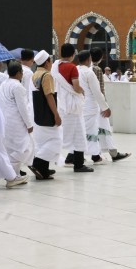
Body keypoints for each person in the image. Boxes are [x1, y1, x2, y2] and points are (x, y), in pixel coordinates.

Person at [53, 44, 92, 173]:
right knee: (79, 134)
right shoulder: (72, 68)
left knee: (60, 133)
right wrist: (82, 92)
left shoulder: (55, 67)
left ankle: (74, 161)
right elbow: (75, 87)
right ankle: (79, 164)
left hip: (60, 103)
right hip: (72, 106)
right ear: (72, 55)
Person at [0, 60, 34, 178]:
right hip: (16, 122)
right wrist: (29, 124)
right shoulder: (18, 86)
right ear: (18, 73)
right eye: (21, 72)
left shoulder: (4, 84)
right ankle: (12, 175)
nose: (22, 74)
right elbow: (23, 108)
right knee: (23, 148)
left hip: (5, 121)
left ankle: (14, 174)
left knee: (10, 149)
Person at [91, 48, 129, 162]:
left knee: (93, 129)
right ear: (101, 57)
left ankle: (97, 154)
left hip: (88, 104)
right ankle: (112, 153)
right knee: (104, 128)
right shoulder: (96, 69)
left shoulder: (83, 68)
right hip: (98, 104)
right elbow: (99, 89)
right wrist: (104, 105)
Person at [30, 50, 61, 180]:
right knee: (55, 141)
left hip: (38, 112)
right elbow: (49, 96)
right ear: (47, 62)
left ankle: (43, 170)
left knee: (43, 142)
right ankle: (37, 163)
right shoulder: (47, 75)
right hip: (48, 112)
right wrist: (56, 114)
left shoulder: (35, 74)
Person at [76, 51, 108, 164]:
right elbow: (97, 92)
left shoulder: (75, 70)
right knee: (92, 132)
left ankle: (73, 156)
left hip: (78, 106)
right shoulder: (89, 73)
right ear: (88, 60)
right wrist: (105, 107)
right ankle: (95, 156)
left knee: (80, 131)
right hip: (89, 107)